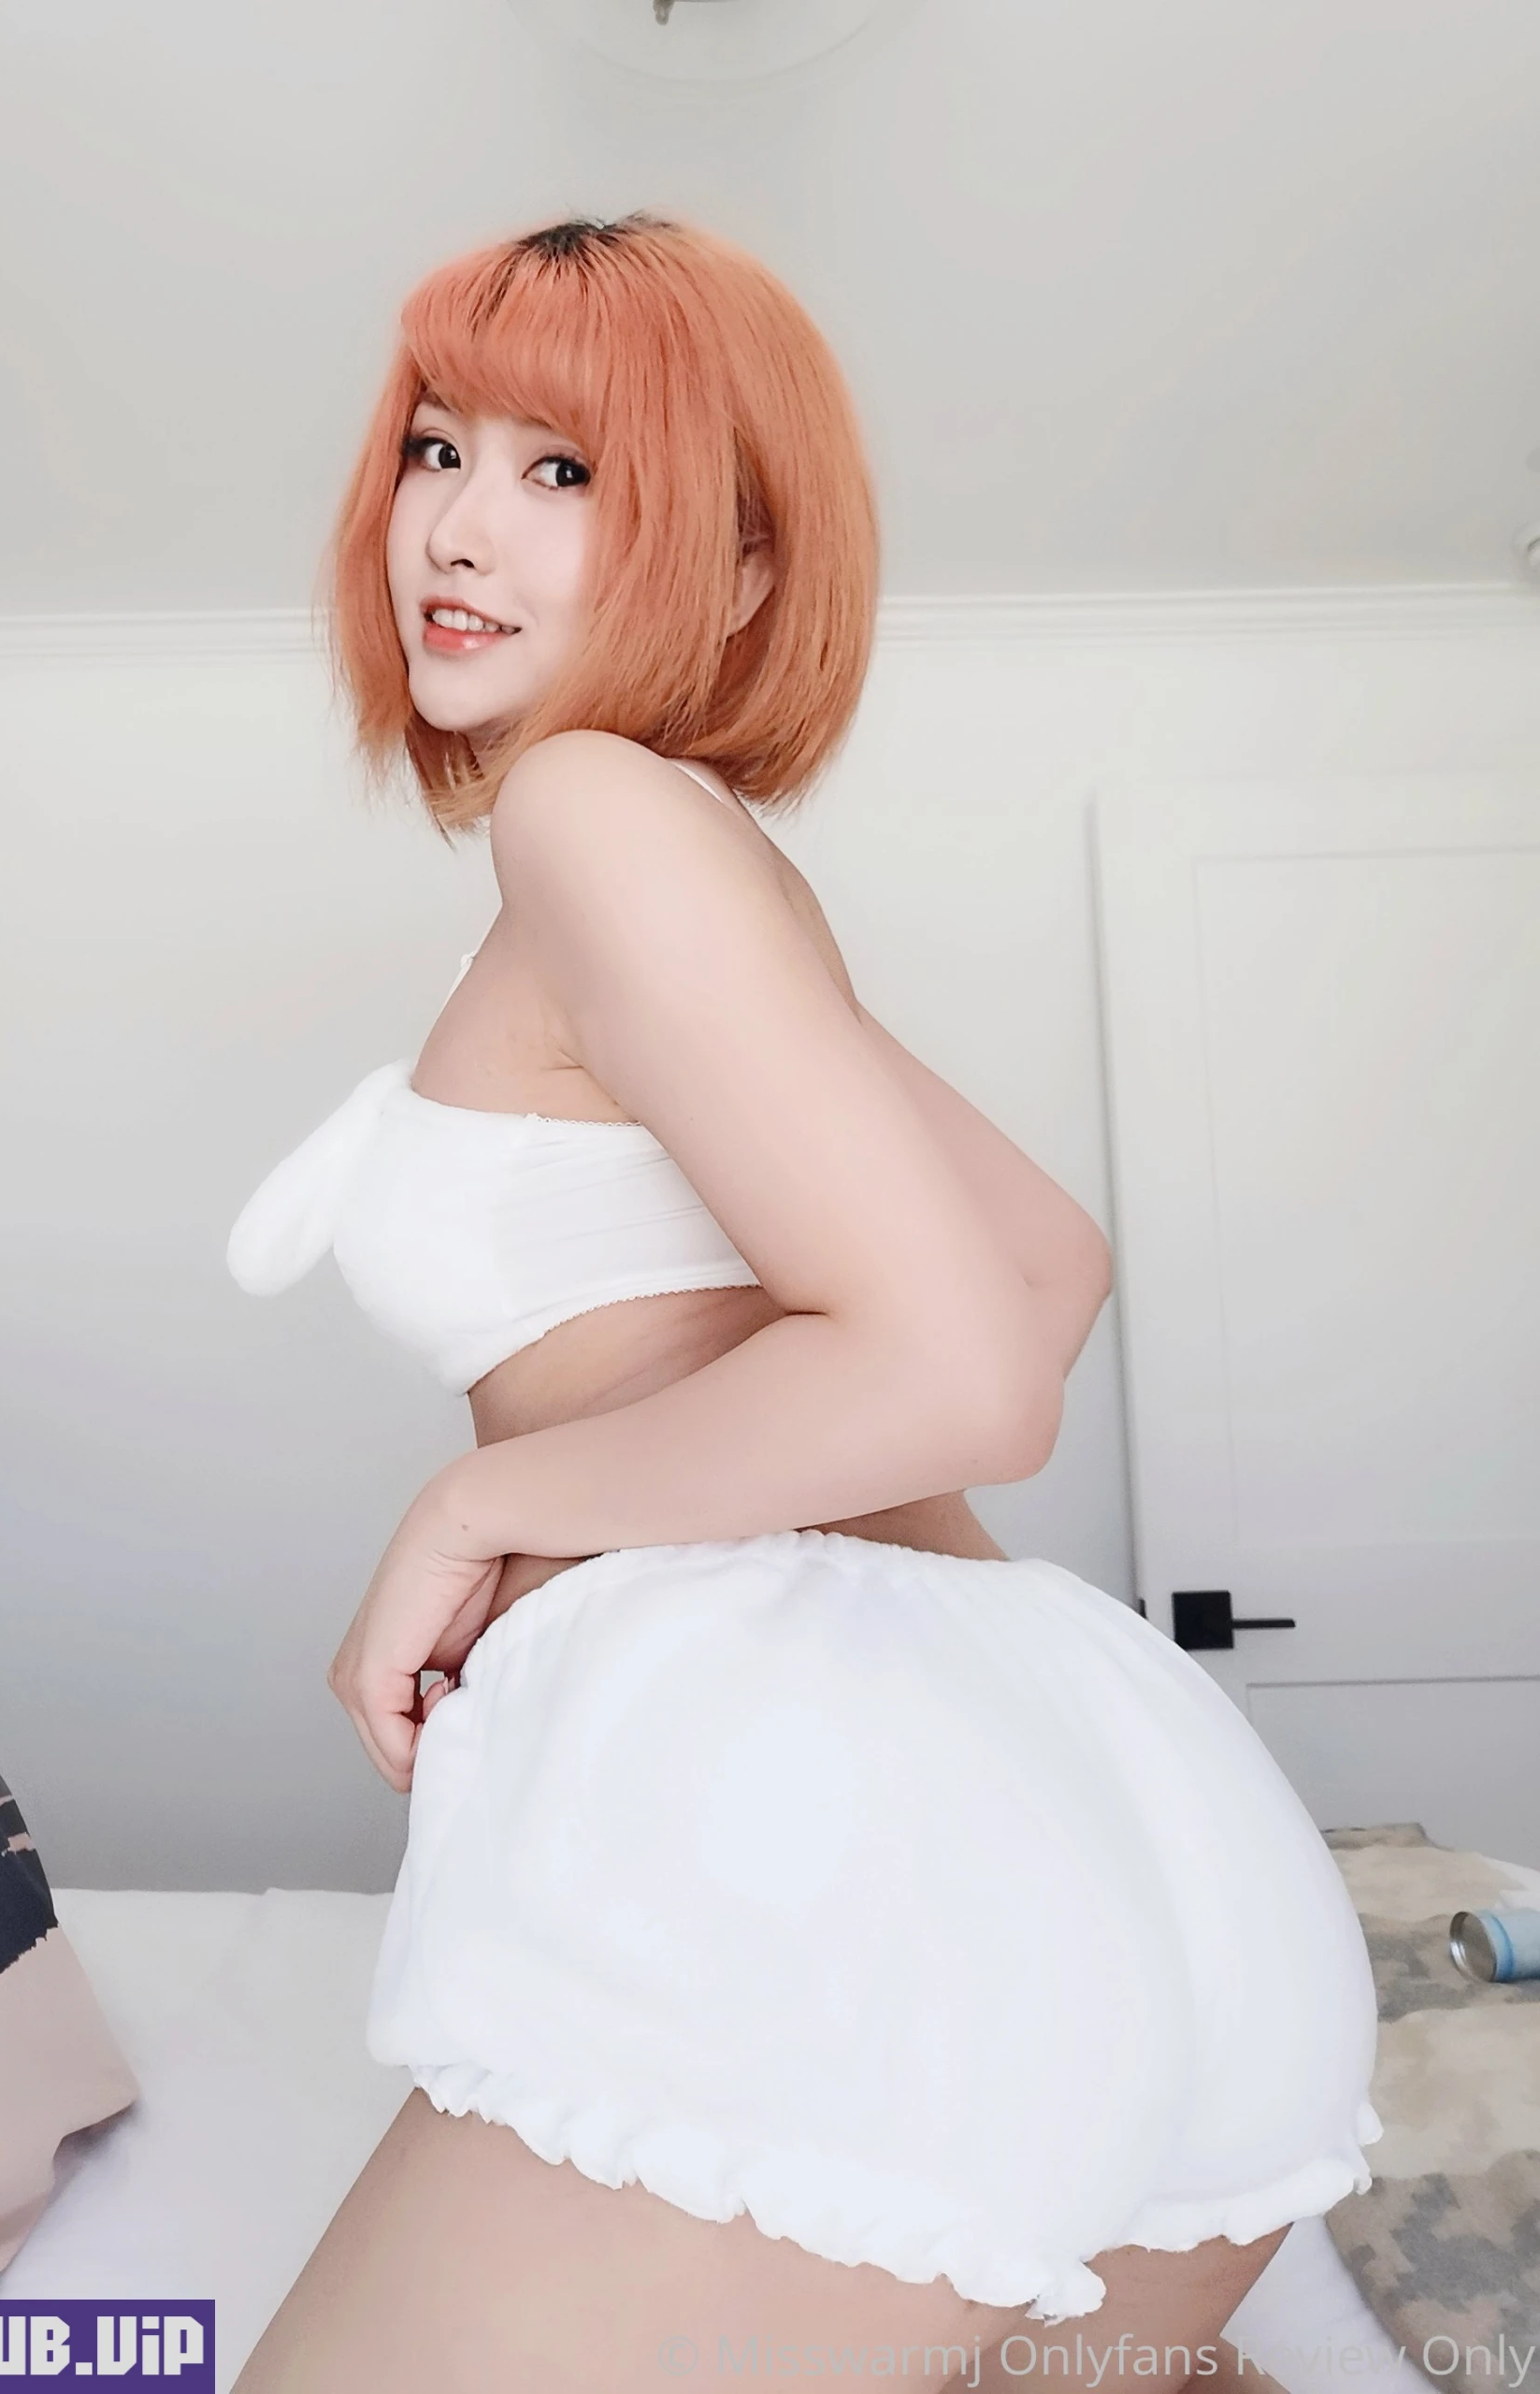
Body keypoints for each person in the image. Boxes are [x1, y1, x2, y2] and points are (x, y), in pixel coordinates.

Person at [224, 212, 1381, 2394]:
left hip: (847, 1840)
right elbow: (1044, 1260)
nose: (456, 527)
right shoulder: (709, 866)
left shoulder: (590, 810)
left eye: (567, 471)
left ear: (745, 565)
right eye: (439, 448)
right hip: (1124, 1817)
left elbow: (965, 1363)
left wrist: (477, 1506)